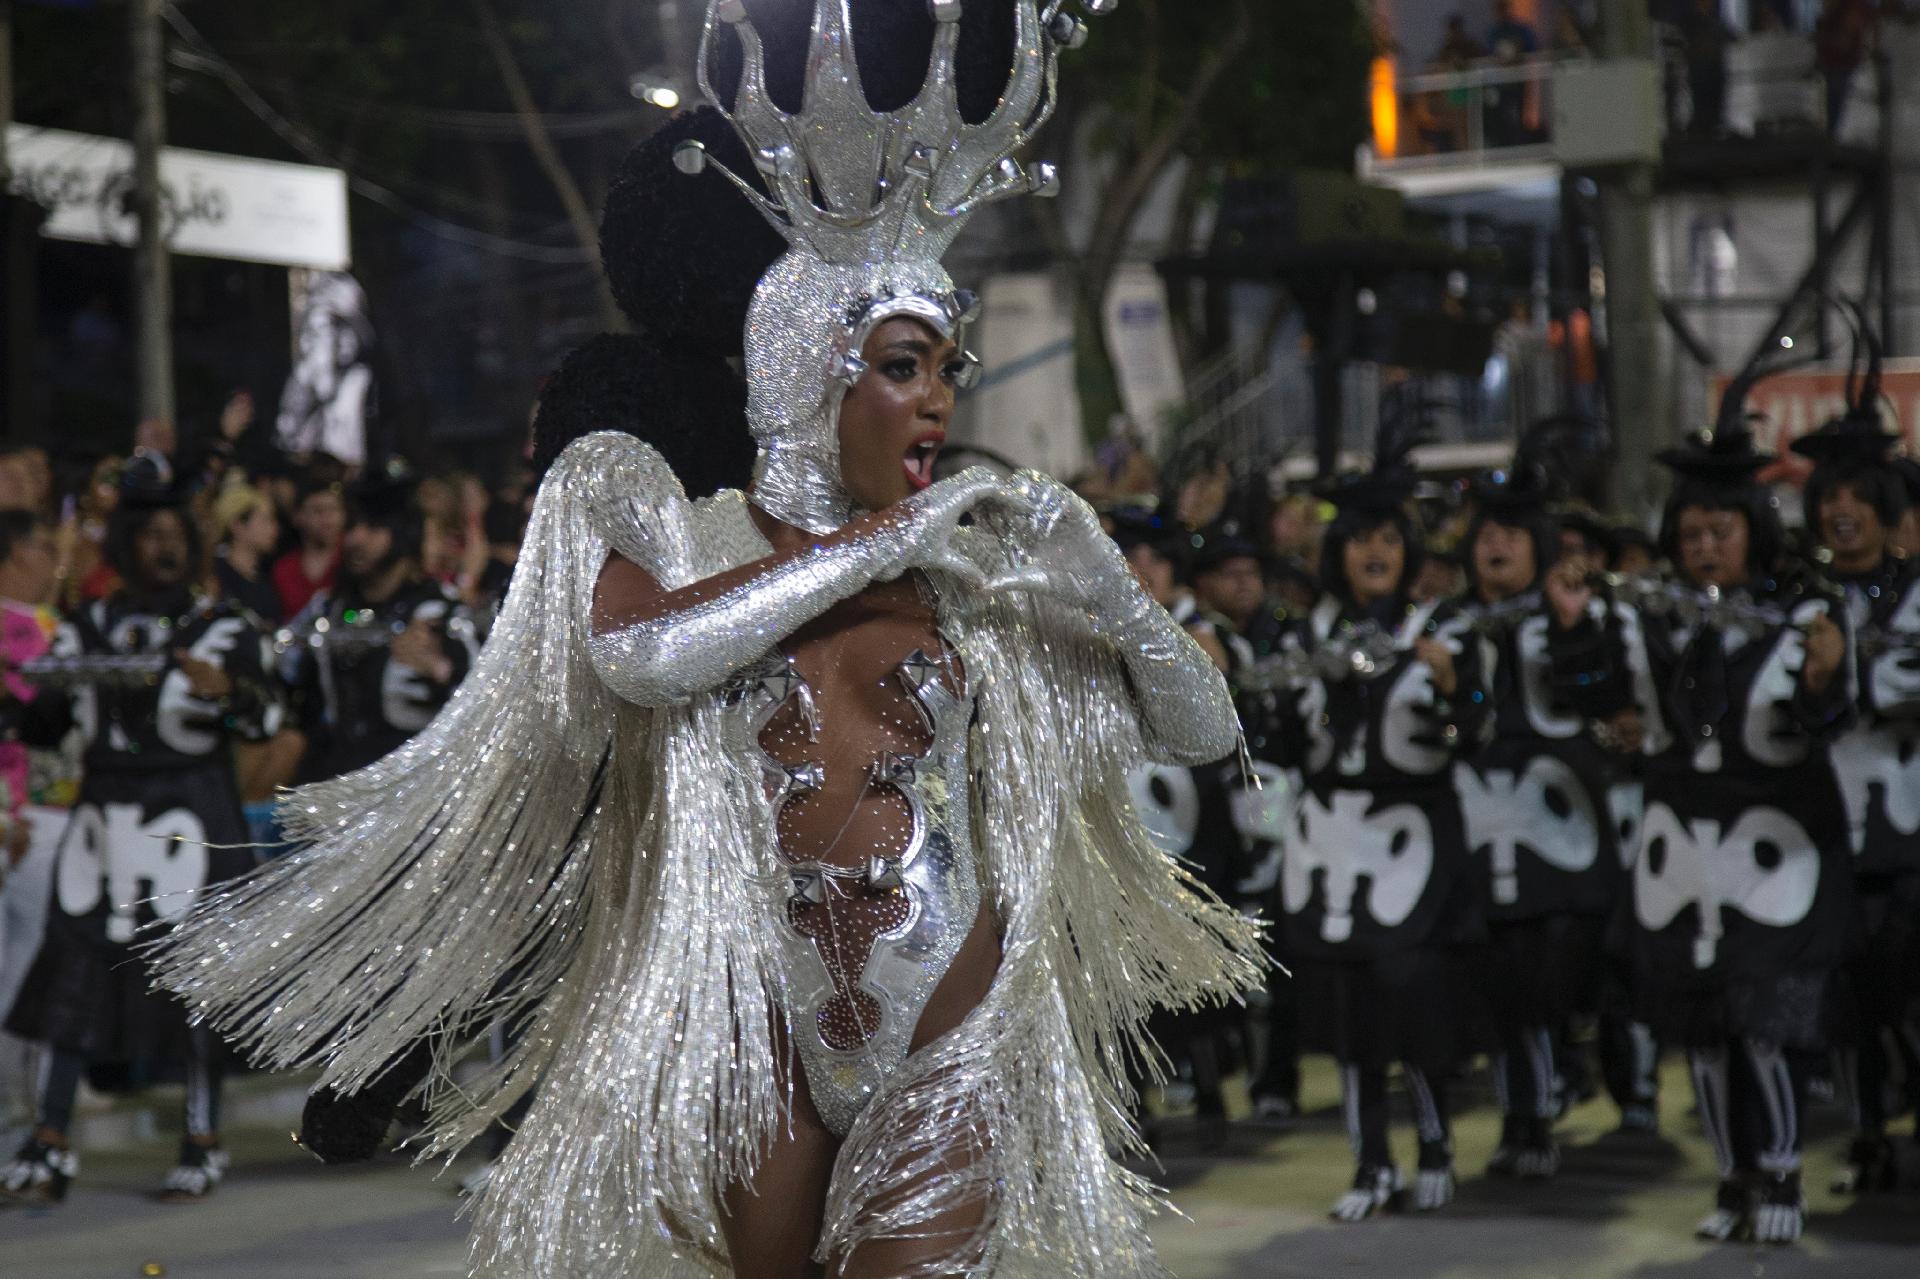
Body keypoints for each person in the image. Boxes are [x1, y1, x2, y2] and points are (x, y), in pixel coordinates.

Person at [154, 5, 1261, 1274]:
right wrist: (867, 551)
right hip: (754, 1037)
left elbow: (1205, 727)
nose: (943, 398)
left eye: (952, 364)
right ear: (809, 374)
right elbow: (636, 657)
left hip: (954, 1044)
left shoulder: (977, 571)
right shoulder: (690, 536)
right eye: (906, 364)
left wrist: (1110, 589)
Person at [1551, 422, 1852, 1244]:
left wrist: (1827, 675)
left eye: (1721, 530)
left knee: (1763, 1023)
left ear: (1755, 530)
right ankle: (1732, 1176)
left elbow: (1824, 720)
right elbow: (1588, 691)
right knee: (1706, 1033)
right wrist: (1574, 623)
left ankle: (1784, 1169)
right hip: (1680, 852)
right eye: (1690, 534)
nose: (1706, 546)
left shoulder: (1807, 612)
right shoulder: (1649, 619)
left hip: (1775, 847)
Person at [2, 458, 282, 1202]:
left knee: (193, 982)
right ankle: (50, 1137)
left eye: (172, 532)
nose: (161, 545)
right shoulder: (88, 623)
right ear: (126, 540)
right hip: (104, 815)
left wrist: (228, 690)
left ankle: (202, 1137)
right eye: (147, 532)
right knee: (73, 969)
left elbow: (268, 715)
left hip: (191, 810)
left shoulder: (222, 625)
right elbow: (44, 723)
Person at [1269, 434, 1491, 1221]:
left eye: (1389, 537)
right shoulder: (1306, 636)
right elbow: (1283, 746)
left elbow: (1477, 728)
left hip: (1415, 835)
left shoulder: (1445, 628)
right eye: (1361, 537)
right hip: (1331, 836)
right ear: (1338, 551)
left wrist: (1454, 684)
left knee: (1411, 997)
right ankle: (1370, 1160)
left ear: (1409, 550)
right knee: (1349, 1005)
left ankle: (1434, 1143)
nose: (1374, 549)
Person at [1454, 469, 1630, 1178]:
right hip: (1481, 819)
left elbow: (1604, 693)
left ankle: (1569, 1061)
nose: (1495, 543)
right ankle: (1521, 1117)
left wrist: (1569, 623)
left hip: (1562, 822)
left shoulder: (1574, 609)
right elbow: (1454, 718)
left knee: (1564, 959)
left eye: (1512, 533)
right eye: (1485, 533)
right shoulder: (1449, 619)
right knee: (1501, 976)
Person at [1790, 404, 1920, 1195]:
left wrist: (1847, 677)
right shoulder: (1799, 601)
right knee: (1848, 996)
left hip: (1912, 827)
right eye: (1829, 497)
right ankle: (1868, 1130)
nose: (1843, 511)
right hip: (1829, 830)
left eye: (1858, 496)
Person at [281, 473, 478, 784]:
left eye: (372, 528)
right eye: (352, 527)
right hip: (336, 785)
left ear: (401, 535)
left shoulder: (439, 612)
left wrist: (440, 669)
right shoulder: (327, 609)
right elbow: (282, 672)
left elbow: (482, 709)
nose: (355, 539)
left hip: (416, 789)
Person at [269, 476, 345, 621]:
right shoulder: (284, 569)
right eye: (318, 511)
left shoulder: (353, 559)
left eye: (334, 509)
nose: (327, 518)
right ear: (297, 517)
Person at [208, 483, 284, 626]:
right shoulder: (213, 575)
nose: (274, 528)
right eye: (265, 520)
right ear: (237, 525)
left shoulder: (266, 583)